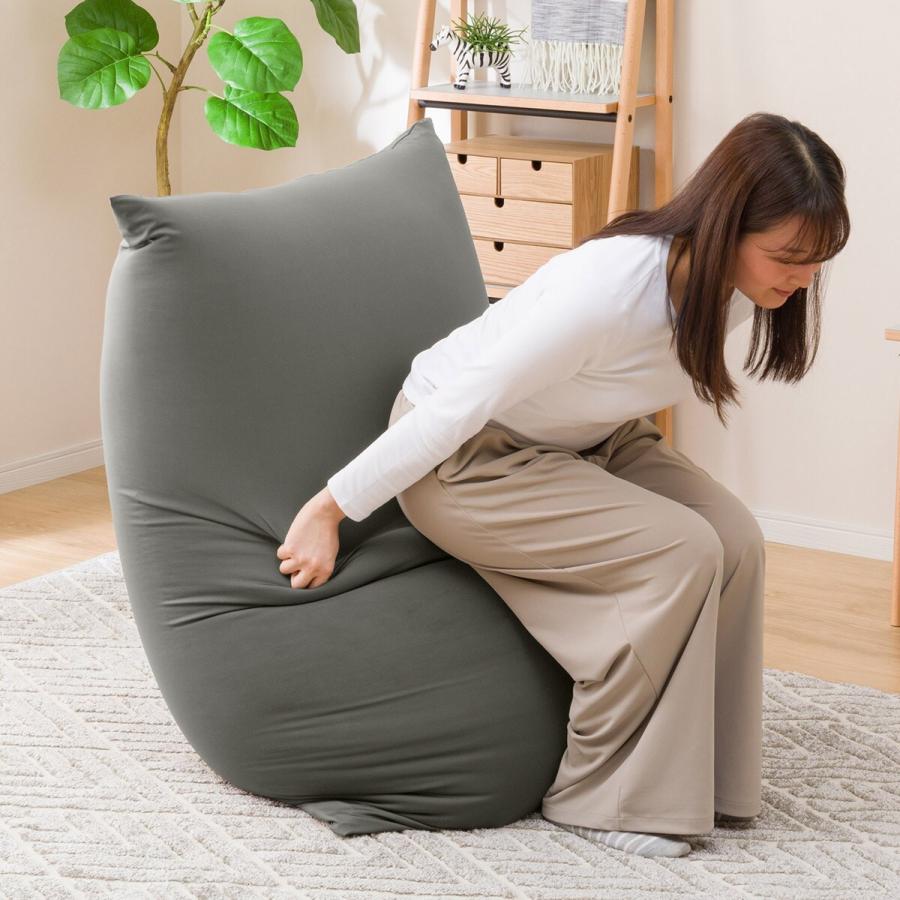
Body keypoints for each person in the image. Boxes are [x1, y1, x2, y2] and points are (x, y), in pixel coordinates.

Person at [275, 111, 850, 857]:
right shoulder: (608, 291)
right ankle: (598, 797)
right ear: (725, 224)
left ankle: (704, 778)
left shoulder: (740, 286)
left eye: (817, 261)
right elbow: (457, 407)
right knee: (681, 551)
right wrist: (330, 507)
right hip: (471, 458)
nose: (803, 278)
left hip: (586, 438)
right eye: (788, 257)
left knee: (735, 539)